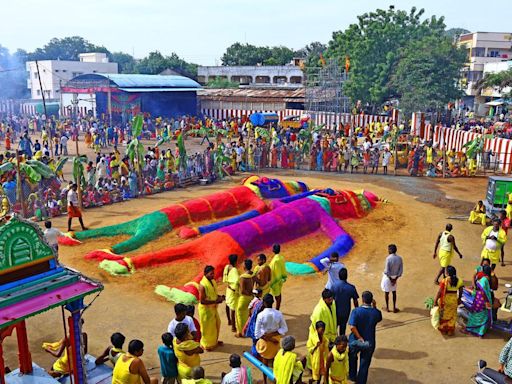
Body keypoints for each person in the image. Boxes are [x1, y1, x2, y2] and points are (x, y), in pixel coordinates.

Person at [348, 291, 382, 384]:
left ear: (362, 300)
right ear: (372, 301)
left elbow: (352, 327)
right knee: (364, 364)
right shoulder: (376, 312)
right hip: (369, 342)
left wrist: (359, 337)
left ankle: (352, 376)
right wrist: (375, 306)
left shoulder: (356, 311)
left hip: (355, 341)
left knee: (352, 357)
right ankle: (361, 382)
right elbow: (379, 318)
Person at [255, 294, 288, 366]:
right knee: (276, 360)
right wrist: (272, 337)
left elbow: (257, 334)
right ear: (273, 302)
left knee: (265, 361)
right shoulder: (278, 314)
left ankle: (264, 377)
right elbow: (284, 329)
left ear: (264, 303)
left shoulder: (260, 315)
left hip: (264, 340)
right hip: (275, 340)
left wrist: (268, 337)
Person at [198, 265, 224, 350]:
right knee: (208, 329)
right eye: (211, 274)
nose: (213, 275)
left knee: (217, 324)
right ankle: (207, 345)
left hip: (213, 308)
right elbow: (202, 301)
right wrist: (216, 301)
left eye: (213, 273)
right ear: (205, 274)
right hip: (206, 310)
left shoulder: (212, 281)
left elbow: (213, 294)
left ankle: (214, 342)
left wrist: (220, 297)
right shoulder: (202, 285)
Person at [464, 265, 493, 337]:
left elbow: (483, 292)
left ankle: (470, 330)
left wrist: (486, 301)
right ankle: (481, 332)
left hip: (481, 300)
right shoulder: (488, 279)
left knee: (475, 315)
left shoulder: (483, 280)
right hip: (485, 299)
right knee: (483, 315)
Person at [434, 266, 464, 336]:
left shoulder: (444, 281)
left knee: (444, 315)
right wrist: (459, 299)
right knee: (452, 315)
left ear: (447, 273)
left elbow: (440, 292)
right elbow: (461, 290)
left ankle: (444, 329)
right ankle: (450, 330)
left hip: (445, 300)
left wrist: (435, 301)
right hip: (454, 300)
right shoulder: (459, 281)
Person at [331, 268, 359, 335]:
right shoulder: (351, 287)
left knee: (334, 327)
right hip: (345, 311)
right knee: (343, 328)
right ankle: (341, 341)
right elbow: (355, 300)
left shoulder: (334, 286)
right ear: (347, 276)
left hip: (335, 310)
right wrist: (356, 310)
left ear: (339, 276)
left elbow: (330, 298)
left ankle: (334, 341)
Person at [380, 244, 403, 313]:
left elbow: (387, 271)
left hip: (388, 278)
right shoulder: (399, 258)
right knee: (394, 292)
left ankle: (387, 308)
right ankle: (394, 308)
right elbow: (401, 270)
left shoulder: (388, 258)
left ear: (390, 250)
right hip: (395, 277)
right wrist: (395, 279)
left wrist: (390, 279)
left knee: (386, 293)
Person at [236, 259, 255, 337]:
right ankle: (247, 330)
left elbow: (243, 290)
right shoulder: (253, 274)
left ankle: (241, 332)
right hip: (251, 297)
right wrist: (251, 294)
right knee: (248, 314)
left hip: (244, 298)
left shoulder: (243, 277)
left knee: (240, 314)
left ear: (245, 266)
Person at [222, 254, 239, 333]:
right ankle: (233, 326)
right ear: (235, 261)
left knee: (227, 304)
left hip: (228, 288)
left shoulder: (227, 267)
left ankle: (229, 320)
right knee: (233, 308)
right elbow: (236, 281)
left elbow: (225, 278)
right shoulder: (234, 270)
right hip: (233, 290)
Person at [269, 244, 287, 310]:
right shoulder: (281, 258)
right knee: (278, 294)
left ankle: (276, 309)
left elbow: (273, 270)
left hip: (275, 280)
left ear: (273, 250)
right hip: (279, 279)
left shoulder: (275, 260)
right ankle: (277, 309)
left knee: (276, 295)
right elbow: (282, 268)